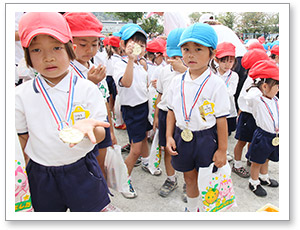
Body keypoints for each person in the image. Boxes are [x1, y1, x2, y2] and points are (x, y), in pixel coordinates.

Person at [16, 12, 111, 212]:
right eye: (36, 50)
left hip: (81, 169)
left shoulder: (87, 88)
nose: (48, 57)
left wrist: (91, 128)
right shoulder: (21, 94)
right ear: (27, 56)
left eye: (57, 47)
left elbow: (101, 133)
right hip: (41, 174)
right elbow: (22, 137)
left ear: (71, 50)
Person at [166, 23, 230, 212]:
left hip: (205, 138)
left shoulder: (216, 84)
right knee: (189, 177)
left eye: (198, 49)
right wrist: (169, 136)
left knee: (209, 177)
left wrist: (222, 149)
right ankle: (192, 210)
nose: (190, 55)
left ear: (212, 54)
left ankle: (207, 210)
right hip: (182, 136)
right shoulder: (176, 81)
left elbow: (221, 119)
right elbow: (171, 111)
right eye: (186, 49)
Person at [64, 12, 117, 182]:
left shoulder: (95, 67)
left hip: (100, 126)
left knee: (100, 166)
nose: (90, 49)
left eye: (94, 44)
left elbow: (104, 100)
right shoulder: (65, 71)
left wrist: (111, 130)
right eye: (83, 44)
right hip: (79, 130)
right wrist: (90, 83)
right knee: (85, 168)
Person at [113, 24, 162, 199]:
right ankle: (123, 179)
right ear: (123, 45)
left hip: (143, 107)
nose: (137, 47)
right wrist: (132, 60)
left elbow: (142, 86)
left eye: (141, 44)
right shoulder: (120, 63)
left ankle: (147, 162)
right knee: (135, 149)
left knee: (143, 139)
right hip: (131, 110)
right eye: (133, 43)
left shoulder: (142, 65)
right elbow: (126, 83)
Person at [153, 28, 187, 199]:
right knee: (168, 148)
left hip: (185, 117)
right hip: (166, 114)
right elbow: (159, 93)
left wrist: (185, 71)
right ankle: (171, 179)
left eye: (180, 56)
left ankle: (189, 182)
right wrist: (156, 116)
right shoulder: (164, 71)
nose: (174, 60)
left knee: (187, 150)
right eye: (172, 56)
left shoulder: (193, 73)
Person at [233, 49, 270, 178]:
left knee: (252, 140)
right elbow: (248, 99)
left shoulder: (261, 77)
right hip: (247, 115)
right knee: (242, 141)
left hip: (256, 115)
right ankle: (237, 164)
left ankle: (250, 159)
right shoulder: (252, 79)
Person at [244, 60, 279, 197]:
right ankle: (253, 182)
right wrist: (259, 85)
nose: (278, 89)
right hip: (262, 136)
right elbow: (250, 95)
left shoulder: (275, 100)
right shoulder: (257, 100)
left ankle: (264, 177)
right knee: (257, 161)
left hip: (274, 136)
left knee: (266, 158)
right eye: (276, 86)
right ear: (265, 86)